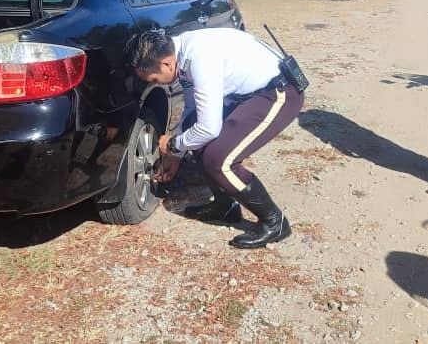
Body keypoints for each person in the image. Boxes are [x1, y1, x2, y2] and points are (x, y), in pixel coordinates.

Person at [125, 28, 304, 248]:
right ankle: (225, 207)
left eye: (154, 78)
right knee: (192, 126)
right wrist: (177, 154)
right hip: (250, 94)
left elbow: (209, 128)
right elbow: (193, 109)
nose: (157, 83)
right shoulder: (181, 54)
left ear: (166, 64)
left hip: (280, 92)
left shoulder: (199, 58)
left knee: (220, 160)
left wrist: (173, 144)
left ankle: (275, 222)